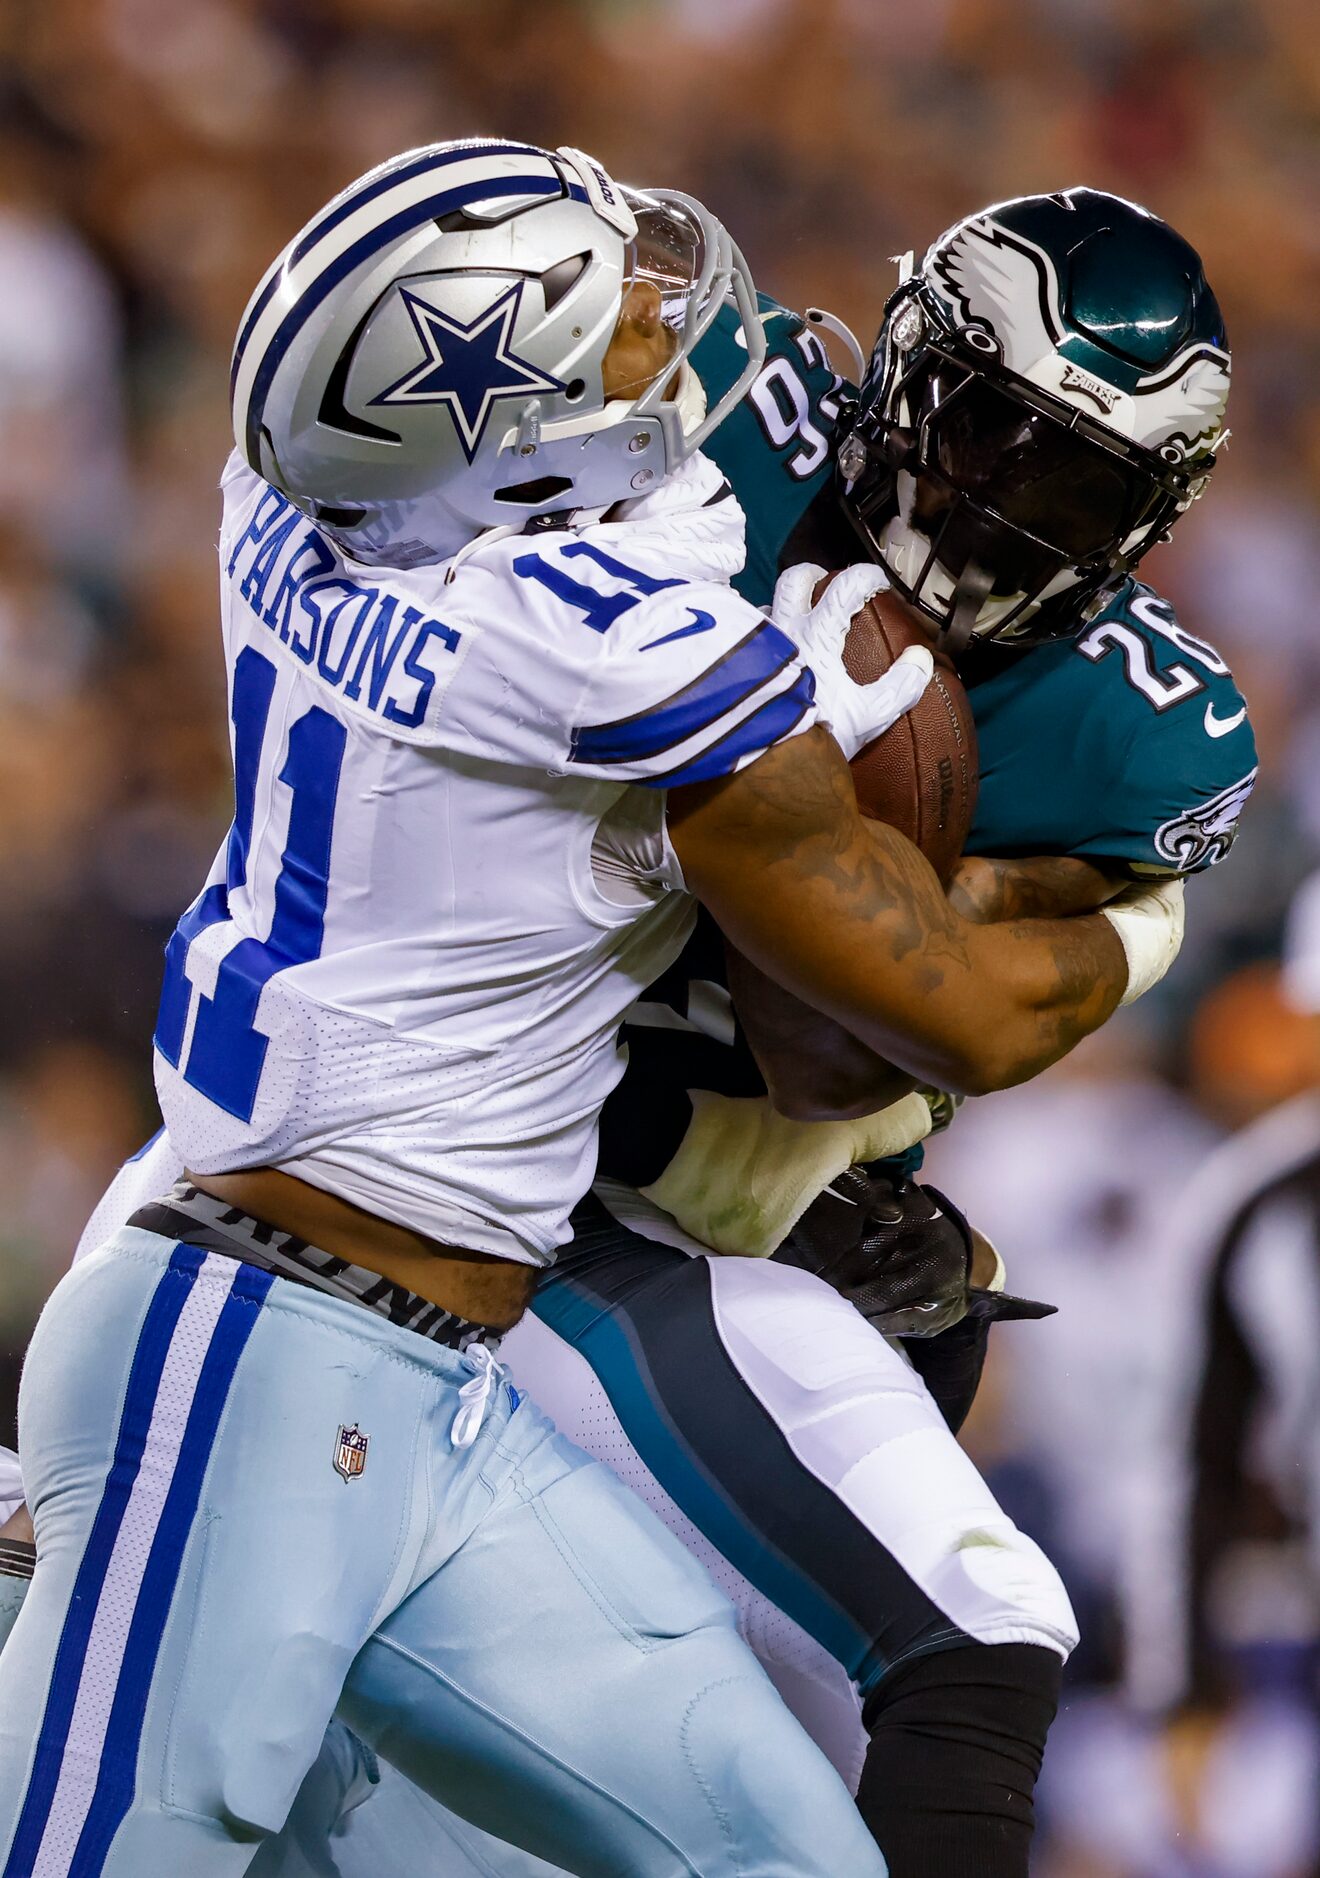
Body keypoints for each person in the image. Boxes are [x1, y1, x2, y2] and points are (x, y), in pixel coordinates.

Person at [0, 143, 1149, 1878]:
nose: (659, 324)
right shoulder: (614, 650)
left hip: (427, 1378)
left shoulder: (282, 505)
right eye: (600, 322)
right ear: (506, 446)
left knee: (787, 1855)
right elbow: (968, 1018)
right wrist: (1123, 921)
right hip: (256, 1355)